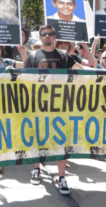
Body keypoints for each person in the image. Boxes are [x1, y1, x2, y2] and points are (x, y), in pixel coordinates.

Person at [24, 25, 85, 195]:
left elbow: (83, 72)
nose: (47, 37)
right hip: (39, 105)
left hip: (60, 106)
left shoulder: (64, 56)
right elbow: (23, 77)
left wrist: (104, 73)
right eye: (44, 35)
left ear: (55, 37)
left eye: (50, 34)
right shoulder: (33, 55)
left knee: (61, 141)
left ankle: (61, 177)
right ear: (41, 38)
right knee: (38, 138)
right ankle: (36, 169)